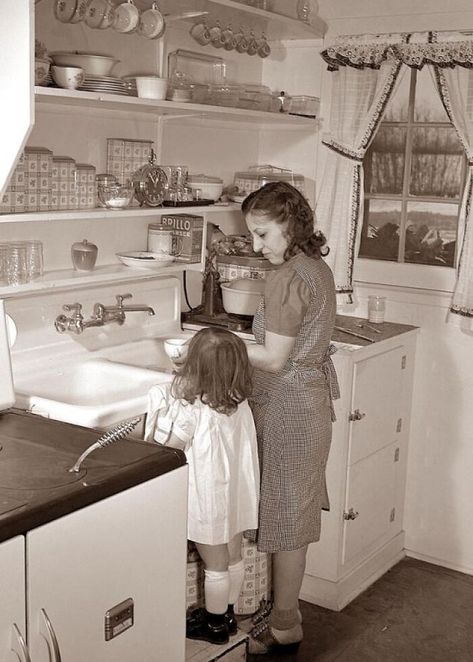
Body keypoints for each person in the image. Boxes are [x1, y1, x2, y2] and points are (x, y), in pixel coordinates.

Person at [240, 181, 340, 655]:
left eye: (262, 234)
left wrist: (221, 345)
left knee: (286, 522)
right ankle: (284, 617)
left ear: (289, 224)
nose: (258, 246)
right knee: (291, 517)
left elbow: (275, 358)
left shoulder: (286, 277)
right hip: (309, 402)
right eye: (253, 237)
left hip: (288, 407)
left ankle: (283, 626)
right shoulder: (313, 265)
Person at [144, 327, 260, 646]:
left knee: (216, 565)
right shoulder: (239, 401)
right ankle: (227, 615)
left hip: (210, 499)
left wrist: (159, 422)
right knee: (233, 556)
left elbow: (171, 448)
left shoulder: (192, 408)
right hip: (235, 495)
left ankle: (213, 626)